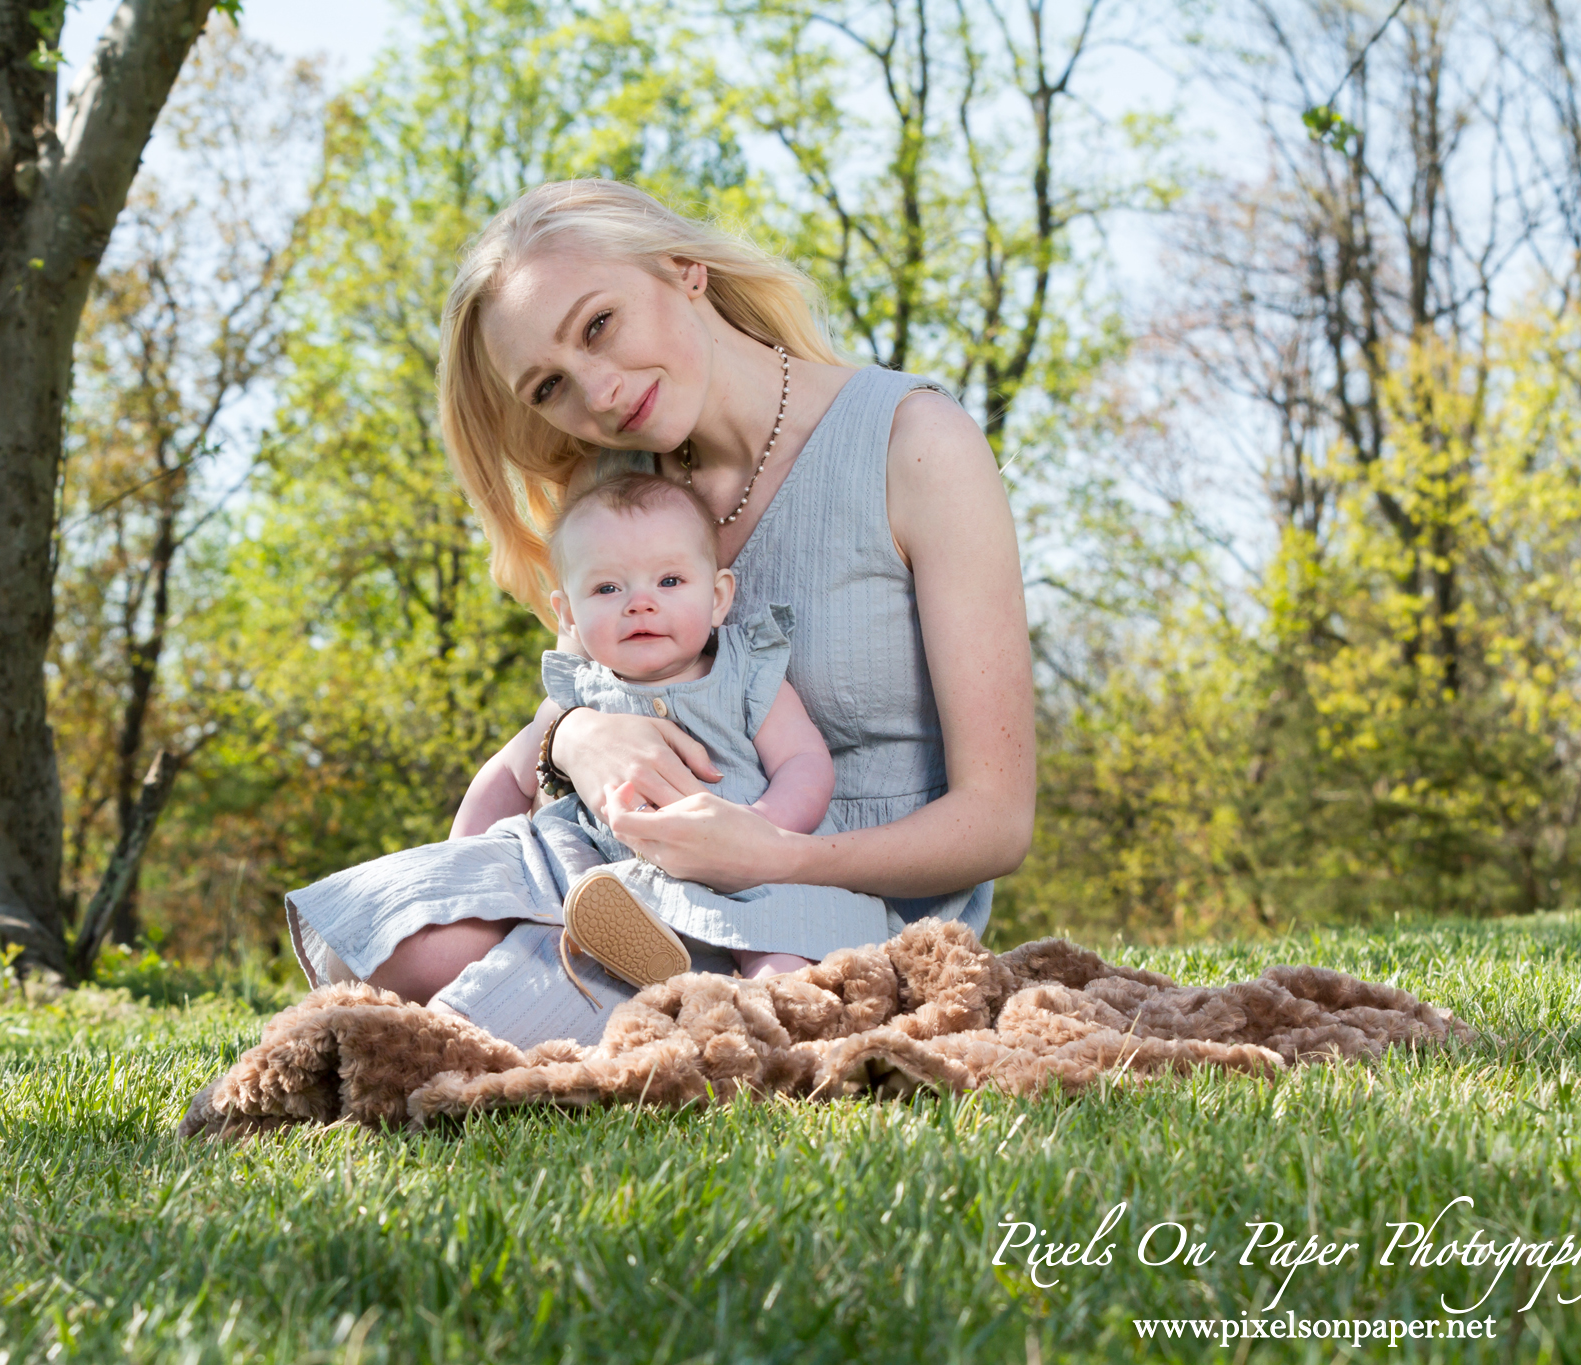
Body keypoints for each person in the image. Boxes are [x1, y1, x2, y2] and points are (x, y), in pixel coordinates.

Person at [283, 178, 1034, 1050]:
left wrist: (775, 854)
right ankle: (604, 970)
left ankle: (588, 995)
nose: (597, 393)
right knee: (398, 936)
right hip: (630, 866)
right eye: (550, 386)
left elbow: (996, 821)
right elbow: (570, 707)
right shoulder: (620, 492)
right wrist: (572, 739)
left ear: (684, 269)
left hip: (821, 902)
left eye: (599, 324)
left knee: (502, 1000)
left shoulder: (915, 442)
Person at [453, 469, 896, 991]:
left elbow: (804, 762)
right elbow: (507, 772)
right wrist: (465, 859)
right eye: (607, 587)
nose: (639, 603)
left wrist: (761, 827)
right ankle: (653, 964)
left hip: (748, 878)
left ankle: (765, 1005)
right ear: (568, 614)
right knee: (560, 878)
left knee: (785, 953)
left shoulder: (745, 673)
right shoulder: (577, 698)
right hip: (623, 884)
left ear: (717, 597)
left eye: (668, 582)